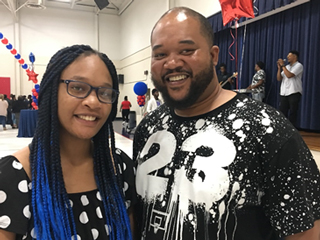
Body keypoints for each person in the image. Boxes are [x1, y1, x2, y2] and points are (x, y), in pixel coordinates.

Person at [133, 7, 320, 240]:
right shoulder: (147, 129)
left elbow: (305, 232)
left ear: (213, 55)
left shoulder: (268, 129)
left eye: (186, 50)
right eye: (160, 55)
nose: (171, 63)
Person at [0, 45, 137, 240]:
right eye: (78, 88)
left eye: (105, 92)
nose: (94, 101)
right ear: (51, 92)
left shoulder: (119, 167)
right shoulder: (11, 177)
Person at [277, 51, 303, 128]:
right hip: (284, 92)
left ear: (295, 57)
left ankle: (292, 129)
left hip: (294, 91)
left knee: (293, 112)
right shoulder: (287, 67)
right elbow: (279, 78)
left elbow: (289, 75)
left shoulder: (299, 65)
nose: (287, 57)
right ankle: (283, 128)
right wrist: (279, 69)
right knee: (282, 111)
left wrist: (282, 65)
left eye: (289, 56)